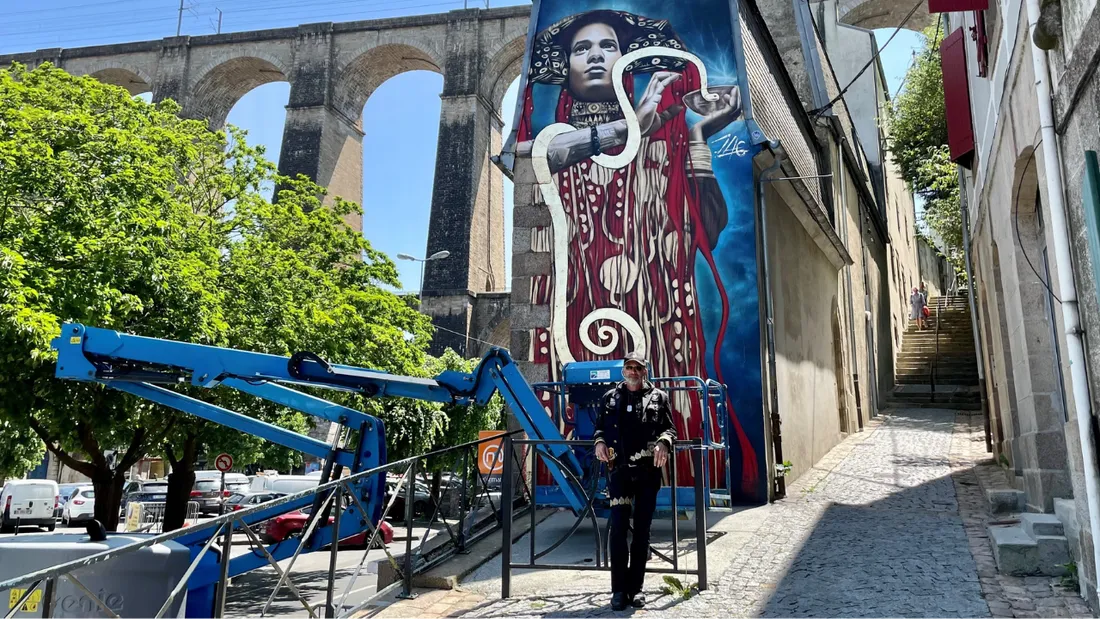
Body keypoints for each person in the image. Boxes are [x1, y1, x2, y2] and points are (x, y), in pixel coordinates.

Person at [516, 8, 759, 495]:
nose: (594, 56)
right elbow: (542, 158)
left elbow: (706, 230)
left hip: (657, 323)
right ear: (565, 65)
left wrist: (695, 135)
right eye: (581, 49)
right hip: (572, 317)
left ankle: (670, 488)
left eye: (608, 46)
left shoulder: (665, 135)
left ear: (626, 59)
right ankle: (571, 488)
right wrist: (632, 127)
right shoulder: (549, 141)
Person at [594, 351, 677, 610]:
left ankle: (637, 589)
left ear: (644, 371)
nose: (632, 371)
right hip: (618, 472)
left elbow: (670, 428)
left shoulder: (659, 397)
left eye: (637, 367)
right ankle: (618, 590)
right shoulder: (610, 398)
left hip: (647, 473)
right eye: (628, 367)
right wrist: (599, 442)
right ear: (624, 370)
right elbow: (599, 428)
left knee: (642, 531)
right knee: (618, 529)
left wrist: (664, 442)